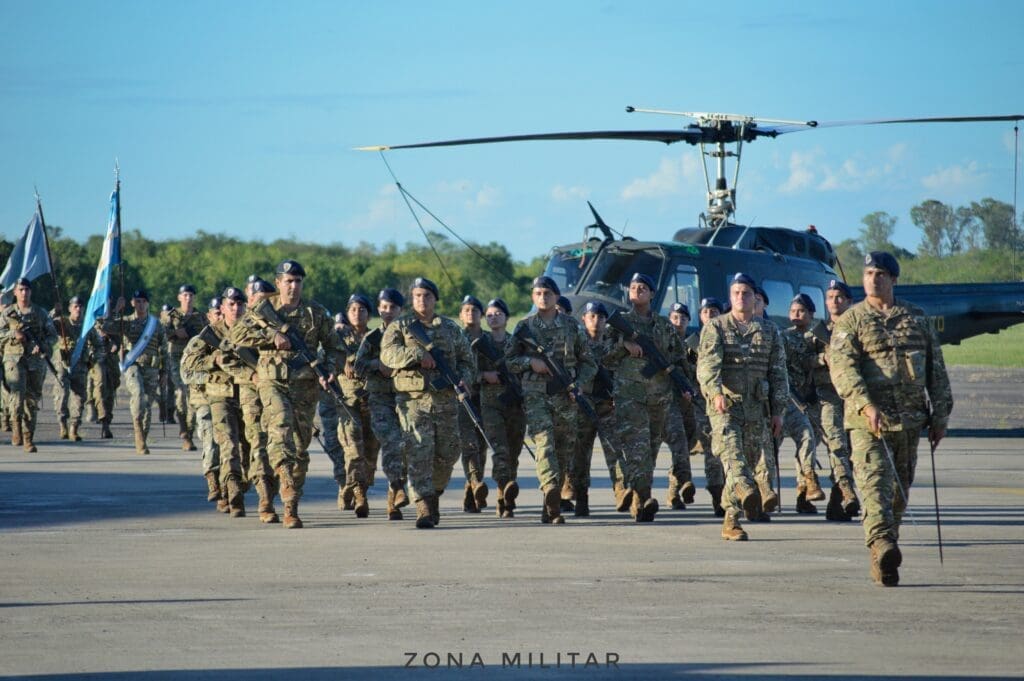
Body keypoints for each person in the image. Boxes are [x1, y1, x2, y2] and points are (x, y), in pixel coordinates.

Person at [830, 252, 952, 586]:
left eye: (880, 273)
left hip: (910, 422)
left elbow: (935, 370)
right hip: (868, 424)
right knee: (874, 489)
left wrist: (940, 415)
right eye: (868, 273)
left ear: (893, 279)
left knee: (899, 493)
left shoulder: (916, 318)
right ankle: (881, 542)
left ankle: (885, 554)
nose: (873, 279)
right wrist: (865, 405)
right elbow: (842, 369)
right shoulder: (851, 321)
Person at [228, 260, 344, 529]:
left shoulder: (315, 313)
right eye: (288, 281)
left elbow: (335, 347)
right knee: (279, 431)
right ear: (278, 283)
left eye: (298, 281)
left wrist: (330, 370)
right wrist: (272, 334)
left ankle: (292, 501)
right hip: (273, 382)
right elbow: (237, 335)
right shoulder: (262, 309)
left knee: (300, 447)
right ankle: (286, 497)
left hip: (305, 386)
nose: (293, 286)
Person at [697, 273, 789, 541]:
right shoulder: (716, 327)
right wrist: (715, 393)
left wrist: (778, 412)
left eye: (746, 293)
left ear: (755, 298)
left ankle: (731, 520)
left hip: (756, 410)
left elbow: (778, 374)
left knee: (745, 464)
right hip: (725, 408)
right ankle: (749, 493)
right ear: (730, 297)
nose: (741, 297)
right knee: (733, 458)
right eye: (736, 293)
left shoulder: (770, 331)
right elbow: (707, 366)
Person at [380, 277, 475, 529]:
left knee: (449, 452)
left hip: (445, 400)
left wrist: (464, 379)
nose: (422, 300)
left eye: (427, 296)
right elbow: (388, 355)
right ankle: (423, 505)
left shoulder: (450, 328)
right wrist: (417, 354)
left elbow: (467, 359)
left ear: (435, 299)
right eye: (417, 296)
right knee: (418, 450)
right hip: (413, 400)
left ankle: (433, 492)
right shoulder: (400, 326)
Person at [508, 276, 595, 524]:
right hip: (536, 394)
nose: (542, 297)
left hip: (565, 397)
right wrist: (530, 363)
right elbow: (509, 361)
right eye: (538, 293)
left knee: (563, 449)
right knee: (544, 444)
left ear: (557, 297)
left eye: (547, 293)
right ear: (533, 297)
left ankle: (551, 506)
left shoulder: (572, 327)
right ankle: (550, 491)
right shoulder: (524, 327)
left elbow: (588, 362)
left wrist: (577, 385)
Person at [604, 273, 685, 522]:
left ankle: (639, 502)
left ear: (652, 294)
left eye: (643, 287)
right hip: (630, 396)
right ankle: (645, 494)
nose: (637, 289)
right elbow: (604, 357)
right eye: (633, 286)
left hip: (658, 398)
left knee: (649, 449)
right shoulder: (617, 325)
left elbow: (678, 357)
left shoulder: (663, 326)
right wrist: (623, 346)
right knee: (637, 447)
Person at [353, 288, 408, 520]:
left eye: (393, 308)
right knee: (391, 441)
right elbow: (358, 366)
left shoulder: (409, 336)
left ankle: (392, 500)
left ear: (400, 311)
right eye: (384, 307)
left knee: (404, 446)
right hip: (379, 399)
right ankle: (395, 487)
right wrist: (378, 364)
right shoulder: (373, 337)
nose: (388, 312)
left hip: (406, 397)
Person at [808, 279, 861, 520]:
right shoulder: (817, 332)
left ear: (849, 301)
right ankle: (848, 493)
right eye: (830, 297)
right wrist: (822, 359)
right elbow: (800, 363)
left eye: (839, 297)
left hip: (854, 397)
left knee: (854, 450)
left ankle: (836, 503)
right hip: (828, 397)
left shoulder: (858, 329)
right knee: (837, 445)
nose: (834, 301)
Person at [568, 300, 623, 516]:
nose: (596, 321)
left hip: (607, 404)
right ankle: (581, 497)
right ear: (584, 319)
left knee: (615, 450)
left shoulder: (613, 345)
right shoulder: (577, 345)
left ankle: (621, 491)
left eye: (600, 317)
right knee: (580, 454)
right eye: (592, 316)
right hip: (583, 404)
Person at [474, 297, 528, 518]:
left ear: (506, 318)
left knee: (513, 452)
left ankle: (505, 496)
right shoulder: (479, 344)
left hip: (516, 403)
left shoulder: (517, 343)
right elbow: (467, 372)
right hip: (491, 404)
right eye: (489, 314)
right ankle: (503, 488)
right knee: (499, 449)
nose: (493, 317)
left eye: (498, 313)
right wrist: (484, 375)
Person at [102, 289, 169, 454]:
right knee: (138, 395)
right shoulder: (125, 321)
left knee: (146, 404)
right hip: (133, 366)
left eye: (143, 301)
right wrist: (116, 309)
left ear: (147, 304)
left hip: (152, 368)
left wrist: (164, 371)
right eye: (137, 301)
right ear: (132, 303)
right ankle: (138, 434)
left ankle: (142, 437)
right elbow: (105, 326)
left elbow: (164, 348)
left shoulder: (155, 324)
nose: (140, 304)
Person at [779, 293, 826, 514]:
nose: (796, 315)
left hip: (812, 398)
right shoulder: (784, 337)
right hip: (788, 398)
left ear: (811, 314)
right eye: (793, 311)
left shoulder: (819, 336)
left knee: (809, 443)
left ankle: (803, 492)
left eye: (801, 311)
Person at [0, 278, 58, 452]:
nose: (24, 293)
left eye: (27, 289)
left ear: (31, 292)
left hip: (35, 362)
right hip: (13, 359)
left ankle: (28, 438)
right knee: (17, 394)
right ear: (15, 292)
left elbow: (52, 336)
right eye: (21, 289)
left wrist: (43, 345)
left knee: (32, 400)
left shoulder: (40, 313)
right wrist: (13, 334)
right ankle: (15, 426)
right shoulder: (7, 313)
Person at [335, 293, 379, 518]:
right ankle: (359, 492)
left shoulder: (376, 337)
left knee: (370, 455)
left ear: (369, 314)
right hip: (347, 401)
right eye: (353, 309)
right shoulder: (338, 335)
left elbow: (386, 361)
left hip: (371, 400)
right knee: (353, 450)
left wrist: (370, 364)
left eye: (362, 309)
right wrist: (342, 362)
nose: (357, 313)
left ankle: (353, 487)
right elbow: (323, 357)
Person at [683, 297, 727, 516]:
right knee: (711, 450)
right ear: (700, 316)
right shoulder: (693, 343)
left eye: (714, 310)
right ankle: (717, 495)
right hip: (702, 404)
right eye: (705, 312)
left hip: (728, 402)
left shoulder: (730, 339)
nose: (709, 315)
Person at [663, 302, 698, 510]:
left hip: (690, 403)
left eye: (683, 318)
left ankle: (674, 493)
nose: (678, 322)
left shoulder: (694, 345)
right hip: (667, 402)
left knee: (686, 445)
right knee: (679, 442)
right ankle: (683, 483)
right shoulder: (662, 342)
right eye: (675, 318)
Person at [161, 284, 204, 451]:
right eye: (185, 295)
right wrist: (174, 333)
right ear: (179, 297)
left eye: (191, 295)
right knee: (181, 393)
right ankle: (183, 429)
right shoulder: (171, 316)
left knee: (193, 397)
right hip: (176, 360)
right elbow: (159, 332)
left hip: (194, 361)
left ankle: (189, 433)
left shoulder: (200, 317)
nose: (188, 298)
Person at [458, 294, 488, 512]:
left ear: (482, 314)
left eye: (475, 310)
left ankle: (472, 490)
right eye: (466, 310)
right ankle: (476, 481)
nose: (471, 313)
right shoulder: (455, 337)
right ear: (461, 315)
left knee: (482, 446)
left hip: (486, 398)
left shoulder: (488, 340)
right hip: (462, 399)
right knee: (469, 444)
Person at [51, 296, 87, 441]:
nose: (77, 309)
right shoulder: (62, 322)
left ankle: (74, 427)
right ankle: (62, 425)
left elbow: (98, 345)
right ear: (69, 308)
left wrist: (93, 358)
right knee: (62, 395)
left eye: (80, 306)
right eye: (75, 306)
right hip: (62, 365)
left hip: (79, 366)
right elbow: (44, 323)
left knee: (79, 398)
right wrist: (55, 311)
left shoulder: (87, 325)